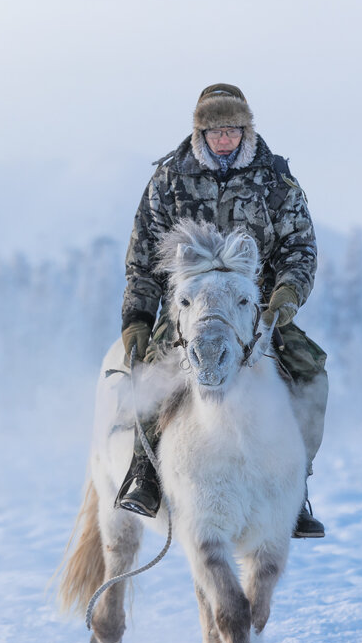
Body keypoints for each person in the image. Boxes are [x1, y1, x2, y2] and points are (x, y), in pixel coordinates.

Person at [117, 83, 328, 538]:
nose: (225, 138)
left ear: (245, 129)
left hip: (254, 307)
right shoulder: (169, 179)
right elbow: (144, 257)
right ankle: (145, 474)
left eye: (233, 129)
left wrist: (286, 295)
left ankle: (296, 486)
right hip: (189, 310)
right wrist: (137, 318)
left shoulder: (274, 178)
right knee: (151, 374)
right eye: (215, 131)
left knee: (310, 373)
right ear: (200, 133)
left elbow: (299, 246)